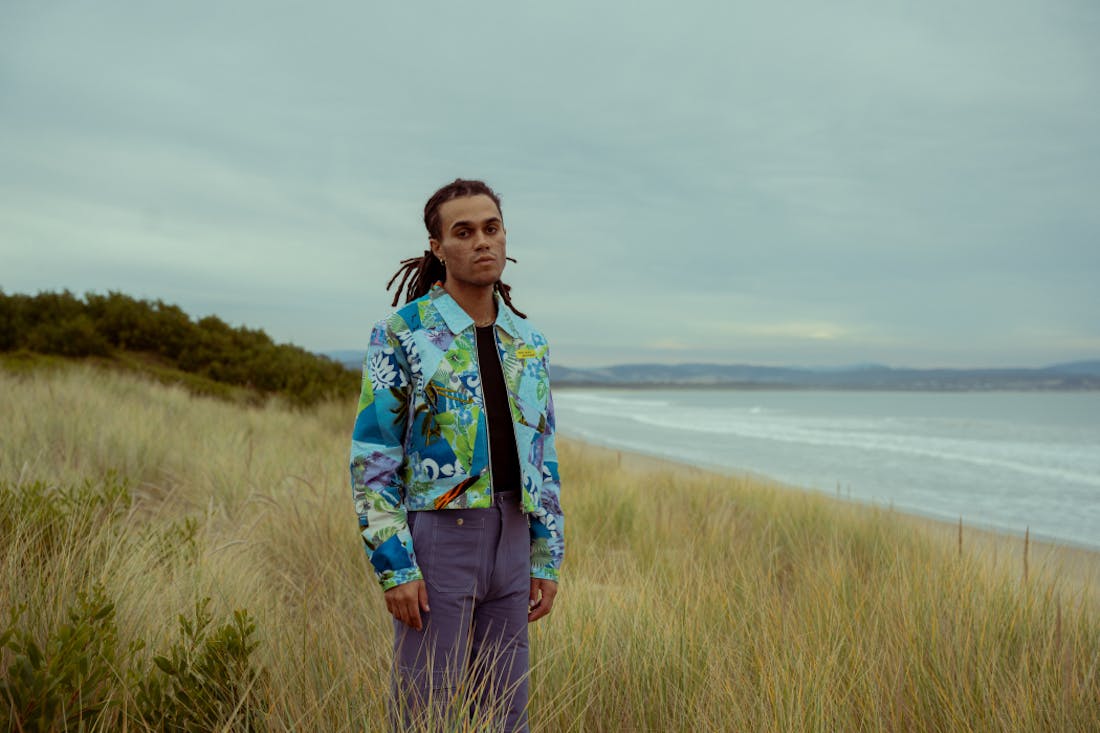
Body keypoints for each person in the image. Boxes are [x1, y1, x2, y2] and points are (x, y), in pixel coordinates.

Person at [349, 179, 564, 731]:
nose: (481, 242)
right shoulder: (402, 333)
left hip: (514, 535)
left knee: (505, 710)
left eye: (491, 228)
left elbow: (544, 457)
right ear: (438, 247)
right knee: (428, 711)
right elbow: (373, 456)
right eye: (463, 232)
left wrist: (547, 556)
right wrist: (395, 566)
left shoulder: (528, 340)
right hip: (441, 537)